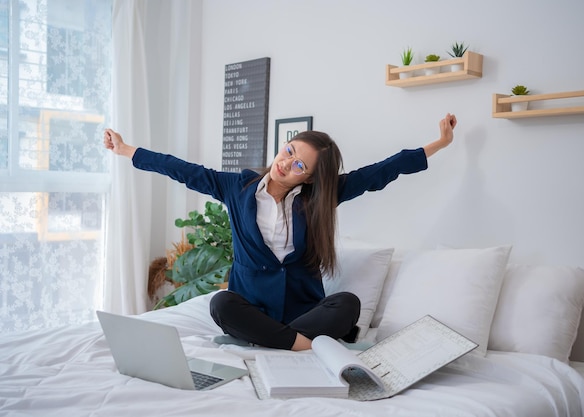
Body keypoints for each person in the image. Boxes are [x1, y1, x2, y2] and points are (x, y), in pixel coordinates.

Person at [103, 113, 457, 351]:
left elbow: (380, 172)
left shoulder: (320, 197)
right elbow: (182, 170)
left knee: (348, 303)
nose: (286, 164)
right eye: (289, 152)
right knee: (221, 302)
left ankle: (280, 341)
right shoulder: (236, 188)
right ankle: (301, 346)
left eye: (299, 164)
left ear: (310, 177)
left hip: (303, 313)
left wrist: (438, 143)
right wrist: (126, 150)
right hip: (252, 310)